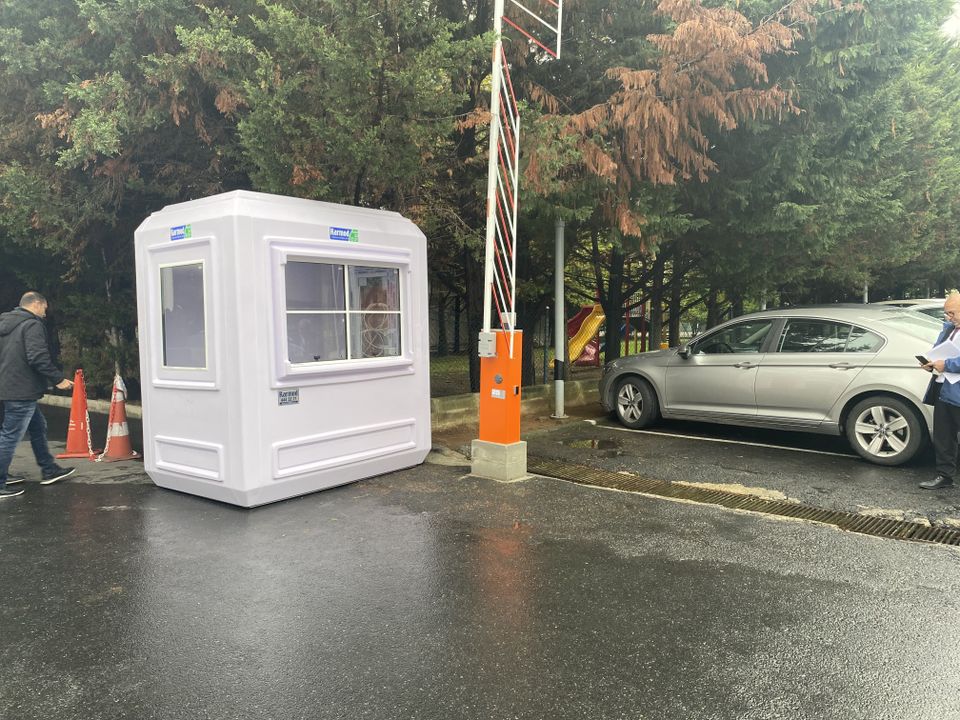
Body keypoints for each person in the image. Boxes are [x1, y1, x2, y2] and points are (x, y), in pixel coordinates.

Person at [0, 291, 77, 499]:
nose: (45, 311)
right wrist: (58, 379)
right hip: (21, 390)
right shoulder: (32, 325)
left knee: (38, 427)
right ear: (35, 304)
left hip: (8, 388)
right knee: (10, 436)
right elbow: (37, 357)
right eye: (44, 307)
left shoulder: (5, 324)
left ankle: (49, 469)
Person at [920, 292, 960, 489]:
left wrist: (948, 365)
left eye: (952, 313)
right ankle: (944, 476)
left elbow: (950, 361)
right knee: (943, 436)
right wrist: (931, 364)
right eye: (947, 313)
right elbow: (939, 352)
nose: (948, 317)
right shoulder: (949, 329)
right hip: (944, 388)